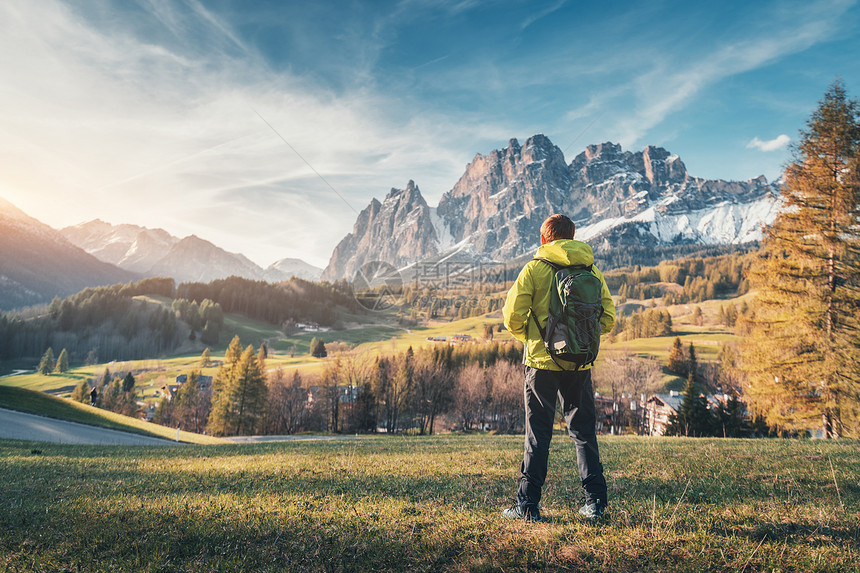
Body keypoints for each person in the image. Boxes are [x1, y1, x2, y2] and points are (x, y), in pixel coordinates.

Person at [501, 213, 616, 522]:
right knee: (583, 433)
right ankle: (596, 504)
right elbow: (608, 318)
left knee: (538, 434)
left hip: (540, 364)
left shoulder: (535, 269)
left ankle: (528, 506)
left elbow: (511, 317)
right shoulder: (591, 269)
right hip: (579, 365)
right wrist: (582, 338)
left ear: (544, 239)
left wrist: (531, 336)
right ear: (573, 236)